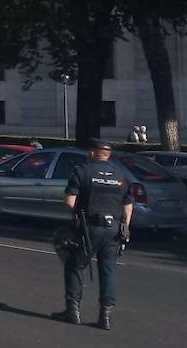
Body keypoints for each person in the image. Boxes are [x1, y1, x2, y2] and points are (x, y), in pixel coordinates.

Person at [51, 139, 132, 330]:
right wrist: (125, 228)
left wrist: (79, 217)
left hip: (89, 227)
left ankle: (73, 311)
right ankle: (105, 316)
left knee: (75, 264)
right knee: (108, 269)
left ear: (93, 153)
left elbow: (69, 201)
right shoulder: (120, 175)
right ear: (108, 155)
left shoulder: (83, 171)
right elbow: (128, 206)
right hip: (114, 228)